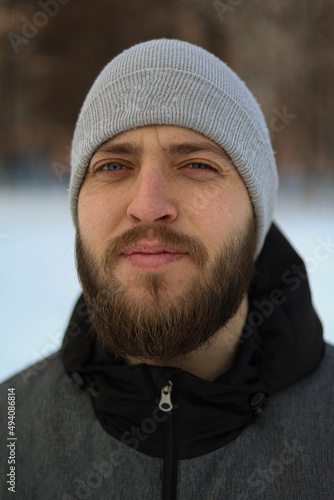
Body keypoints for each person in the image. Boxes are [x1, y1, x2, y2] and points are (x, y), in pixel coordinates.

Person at [0, 38, 333, 500]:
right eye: (114, 165)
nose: (149, 206)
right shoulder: (10, 434)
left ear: (256, 214)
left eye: (196, 164)